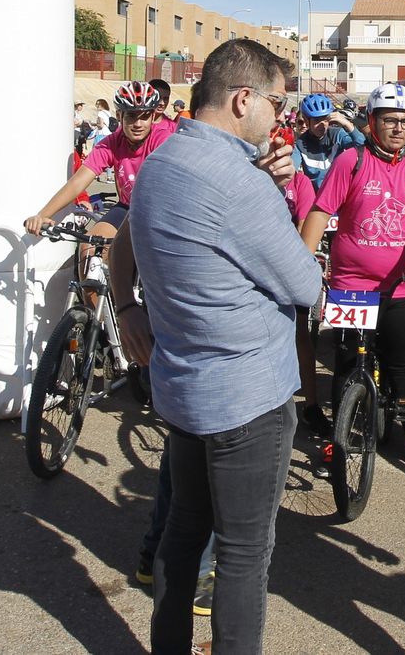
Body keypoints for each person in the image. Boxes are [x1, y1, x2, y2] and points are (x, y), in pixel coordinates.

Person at [123, 39, 317, 655]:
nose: (280, 119)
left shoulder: (162, 160)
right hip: (246, 396)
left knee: (184, 533)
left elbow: (155, 238)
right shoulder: (239, 182)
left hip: (182, 386)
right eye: (277, 104)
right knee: (243, 553)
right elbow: (305, 284)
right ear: (243, 100)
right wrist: (270, 194)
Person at [300, 83, 405, 472]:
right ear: (372, 122)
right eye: (390, 120)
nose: (399, 128)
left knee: (403, 366)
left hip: (404, 286)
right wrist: (302, 260)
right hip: (352, 286)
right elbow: (319, 212)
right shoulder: (351, 160)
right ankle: (340, 438)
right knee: (349, 363)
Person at [23, 81, 173, 243]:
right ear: (119, 116)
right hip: (127, 208)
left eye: (144, 117)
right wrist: (42, 215)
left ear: (152, 116)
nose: (137, 124)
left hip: (159, 212)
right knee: (91, 248)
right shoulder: (111, 143)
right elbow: (77, 182)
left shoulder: (162, 140)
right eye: (131, 116)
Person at [294, 93, 364, 189]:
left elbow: (363, 147)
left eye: (325, 119)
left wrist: (347, 124)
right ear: (306, 120)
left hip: (338, 194)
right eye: (317, 120)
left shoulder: (337, 134)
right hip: (315, 197)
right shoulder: (300, 144)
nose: (322, 124)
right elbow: (291, 169)